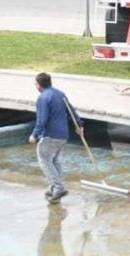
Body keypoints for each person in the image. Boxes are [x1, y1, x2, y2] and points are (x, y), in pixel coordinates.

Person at [30, 72, 83, 203]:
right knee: (55, 161)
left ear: (38, 85)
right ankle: (53, 189)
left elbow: (41, 120)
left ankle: (58, 187)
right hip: (63, 135)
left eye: (36, 84)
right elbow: (71, 110)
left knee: (44, 160)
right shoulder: (60, 94)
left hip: (51, 135)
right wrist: (79, 124)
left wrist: (35, 135)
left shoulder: (43, 98)